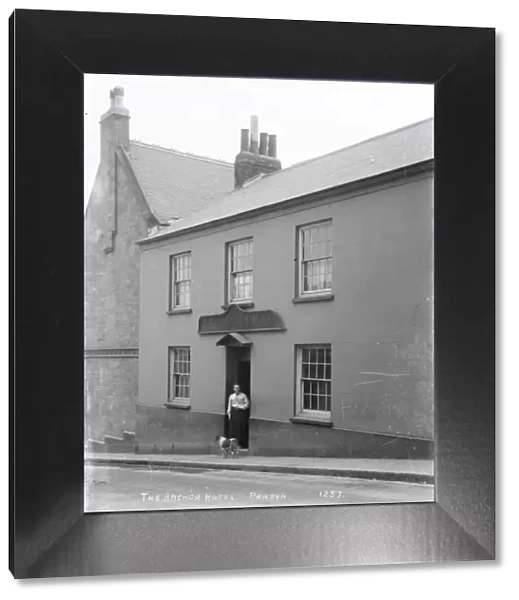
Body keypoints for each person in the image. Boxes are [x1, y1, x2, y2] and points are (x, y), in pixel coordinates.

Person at [227, 383, 250, 449]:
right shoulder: (231, 396)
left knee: (240, 428)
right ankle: (233, 444)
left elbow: (247, 404)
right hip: (234, 413)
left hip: (241, 413)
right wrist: (229, 413)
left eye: (238, 388)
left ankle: (241, 443)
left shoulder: (243, 396)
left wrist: (241, 407)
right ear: (233, 389)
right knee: (233, 429)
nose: (236, 389)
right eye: (235, 388)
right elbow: (229, 405)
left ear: (239, 389)